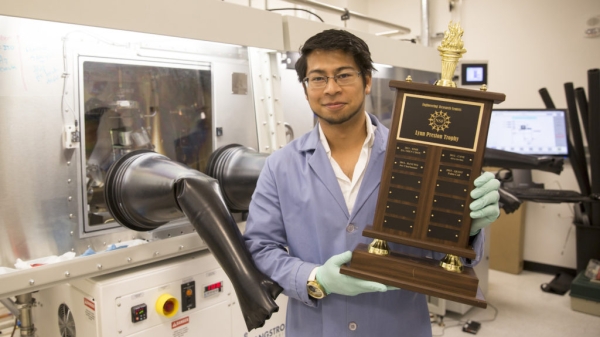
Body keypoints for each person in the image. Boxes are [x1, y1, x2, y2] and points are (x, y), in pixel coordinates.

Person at [243, 29, 500, 337]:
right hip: (317, 328)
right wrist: (315, 277)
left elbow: (441, 253)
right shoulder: (281, 165)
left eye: (343, 75)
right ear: (305, 87)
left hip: (397, 325)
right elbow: (260, 248)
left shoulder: (415, 156)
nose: (331, 89)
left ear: (367, 82)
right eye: (318, 78)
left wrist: (467, 228)